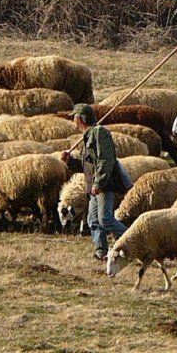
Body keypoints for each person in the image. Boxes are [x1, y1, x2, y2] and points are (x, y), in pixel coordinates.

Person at [61, 104, 132, 260]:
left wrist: (98, 184)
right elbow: (87, 166)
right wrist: (69, 161)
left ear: (80, 118)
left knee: (105, 219)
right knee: (93, 220)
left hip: (104, 185)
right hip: (94, 185)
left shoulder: (99, 133)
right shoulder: (89, 135)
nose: (73, 120)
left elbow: (105, 160)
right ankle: (102, 251)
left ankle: (133, 241)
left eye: (74, 117)